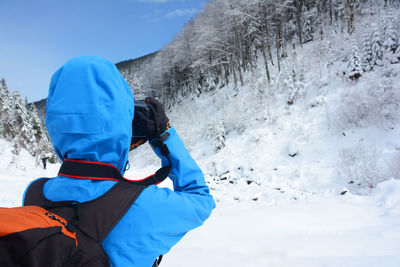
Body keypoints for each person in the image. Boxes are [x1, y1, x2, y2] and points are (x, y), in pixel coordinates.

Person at [22, 56, 215, 266]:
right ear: (123, 124)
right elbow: (200, 198)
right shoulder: (145, 206)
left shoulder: (34, 194)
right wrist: (164, 135)